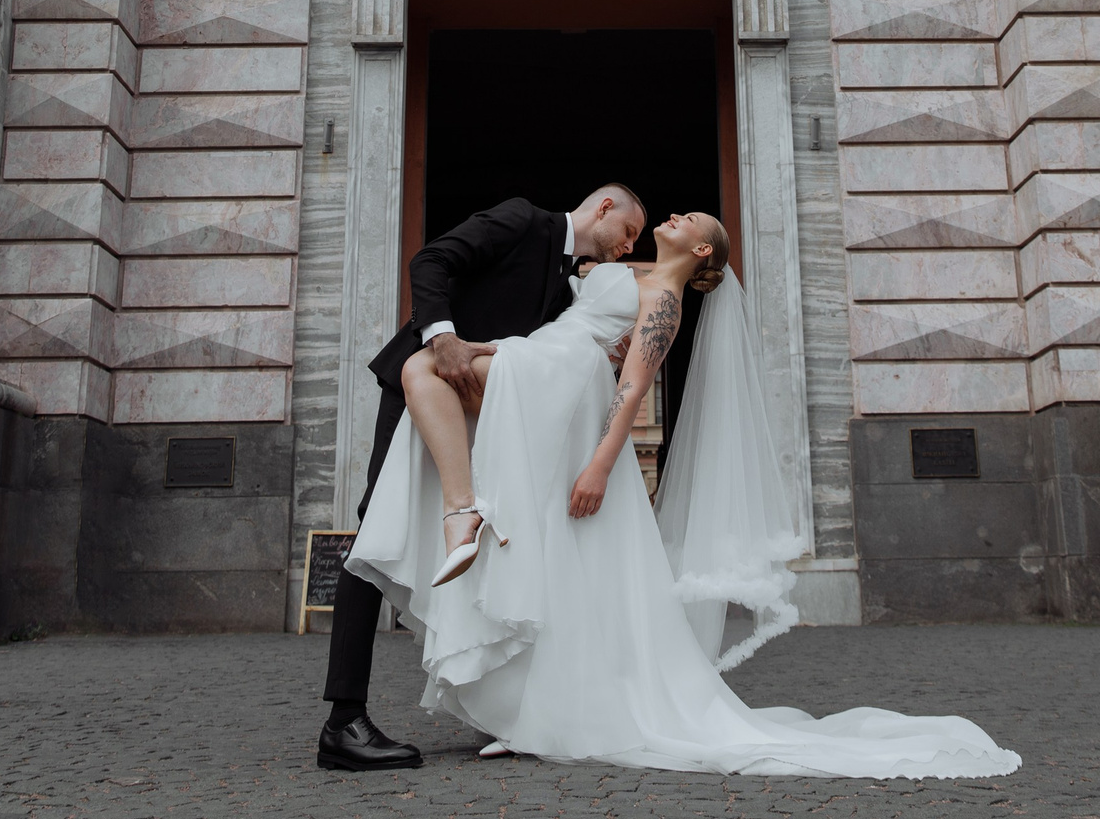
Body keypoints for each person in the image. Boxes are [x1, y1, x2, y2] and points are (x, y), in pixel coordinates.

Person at [346, 212, 1021, 778]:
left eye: (686, 220)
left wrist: (602, 466)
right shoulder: (632, 274)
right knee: (432, 386)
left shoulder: (664, 299)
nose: (672, 217)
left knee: (420, 370)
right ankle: (469, 530)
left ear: (700, 250)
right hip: (543, 361)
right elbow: (567, 282)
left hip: (561, 384)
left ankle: (464, 517)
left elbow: (633, 386)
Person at [316, 183, 646, 772]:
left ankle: (502, 702)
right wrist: (440, 338)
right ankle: (343, 721)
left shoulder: (578, 273)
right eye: (628, 232)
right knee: (375, 534)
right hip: (422, 387)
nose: (628, 247)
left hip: (478, 410)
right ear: (603, 209)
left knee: (483, 535)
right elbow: (432, 261)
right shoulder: (522, 219)